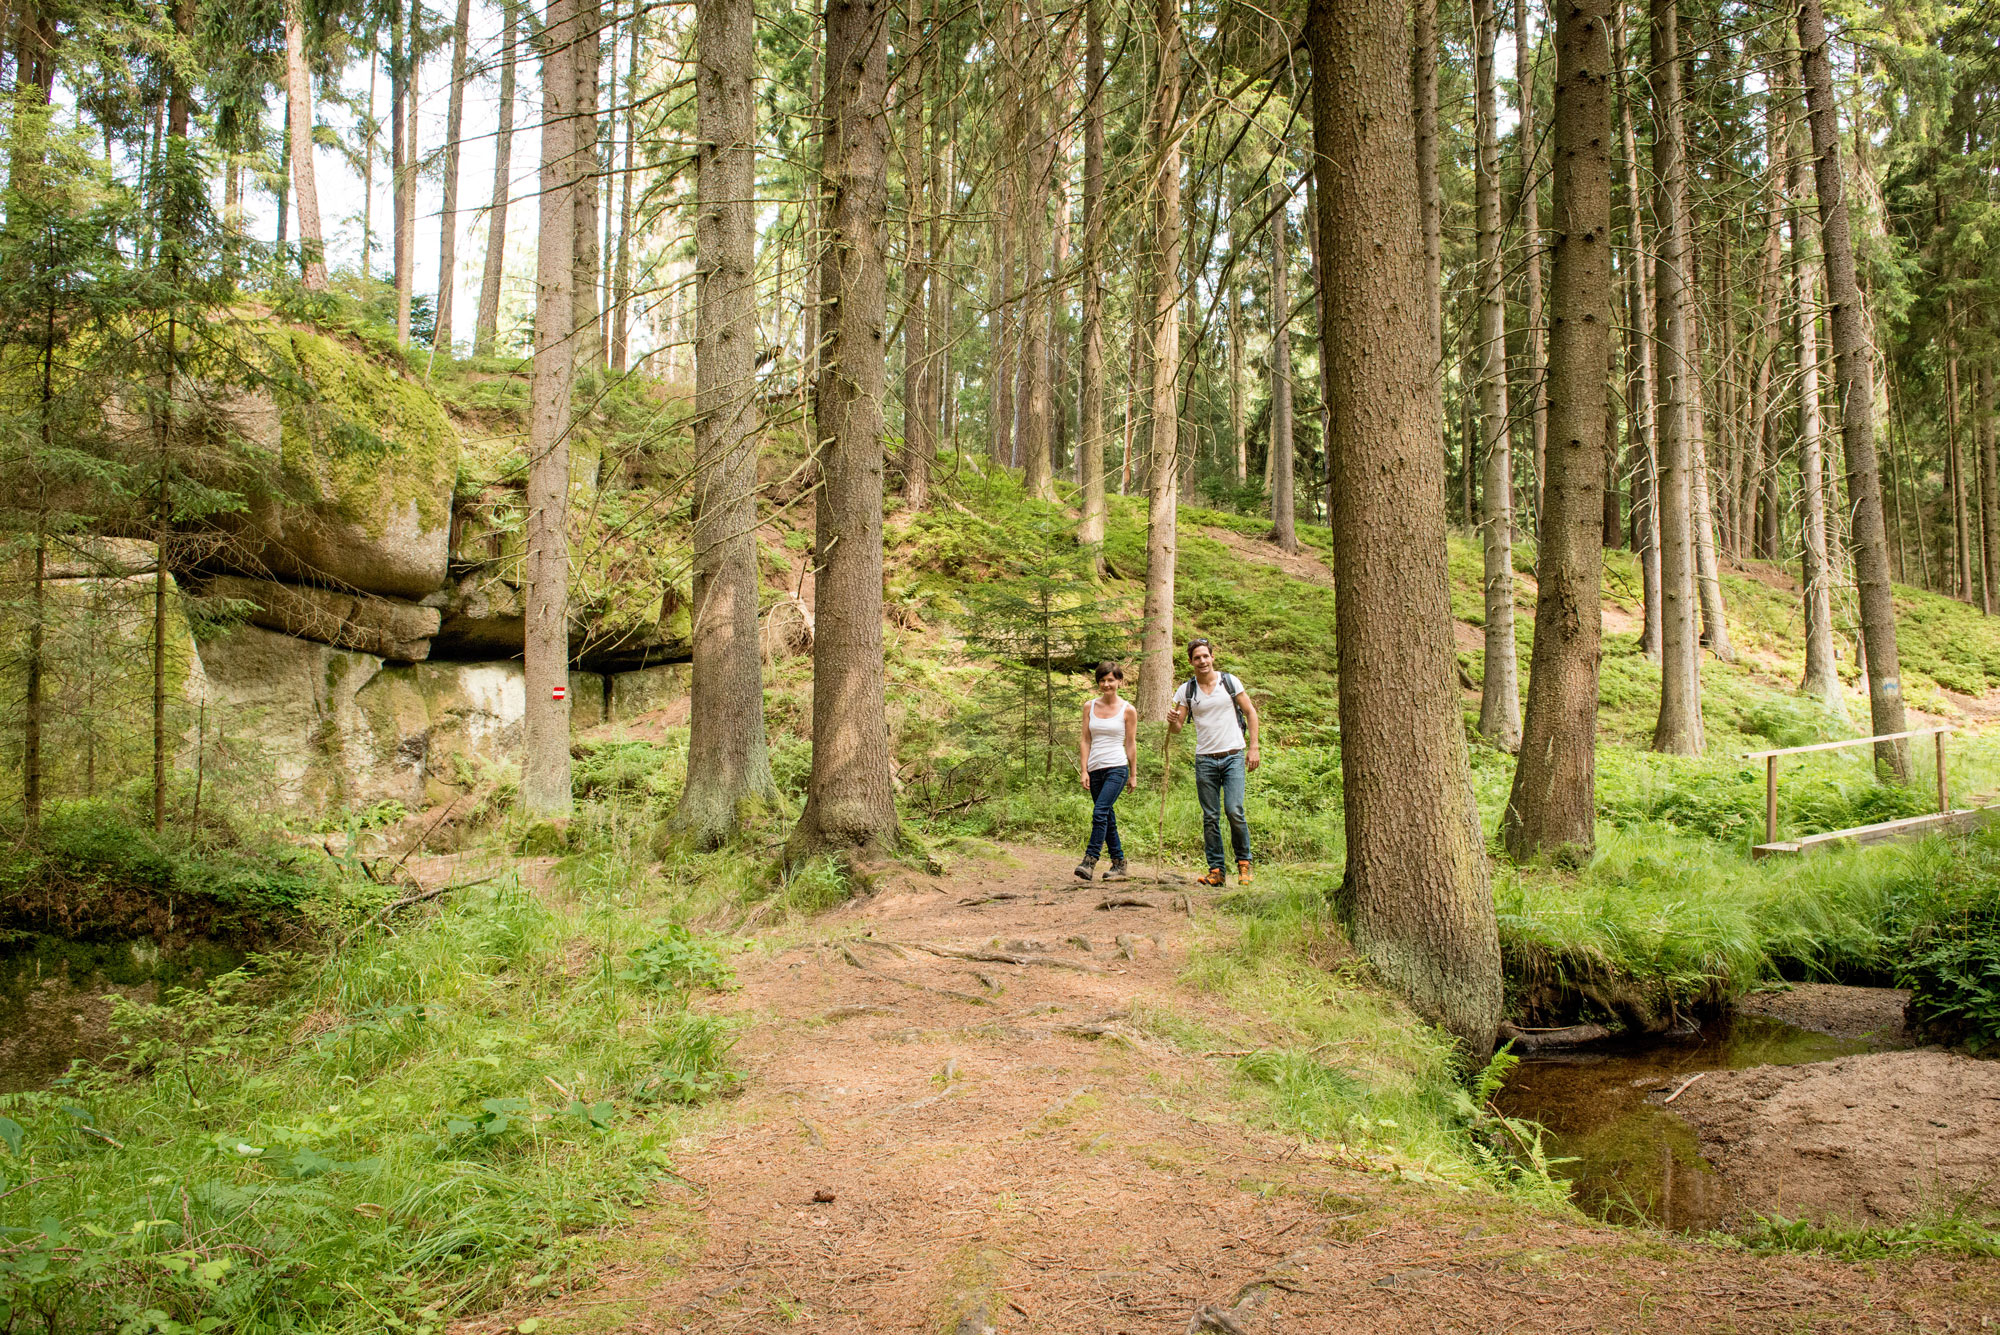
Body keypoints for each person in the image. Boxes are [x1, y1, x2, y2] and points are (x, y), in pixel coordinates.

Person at [1166, 638, 1260, 886]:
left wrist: (1254, 747)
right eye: (1197, 657)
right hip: (1205, 759)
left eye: (1205, 656)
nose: (1202, 661)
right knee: (1210, 816)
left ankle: (1244, 863)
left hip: (1233, 755)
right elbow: (1176, 729)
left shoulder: (1229, 681)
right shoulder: (1186, 690)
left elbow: (1250, 712)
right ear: (1191, 662)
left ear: (1212, 657)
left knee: (1234, 810)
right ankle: (1216, 870)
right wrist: (1172, 720)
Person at [1076, 661, 1137, 881]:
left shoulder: (1127, 710)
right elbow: (1085, 740)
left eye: (1110, 680)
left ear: (1119, 681)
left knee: (1100, 812)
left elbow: (1130, 743)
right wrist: (1084, 770)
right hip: (1095, 769)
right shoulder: (1089, 706)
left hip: (1117, 768)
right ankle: (1119, 863)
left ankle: (1089, 861)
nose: (1106, 684)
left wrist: (1133, 774)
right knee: (1107, 816)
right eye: (1102, 680)